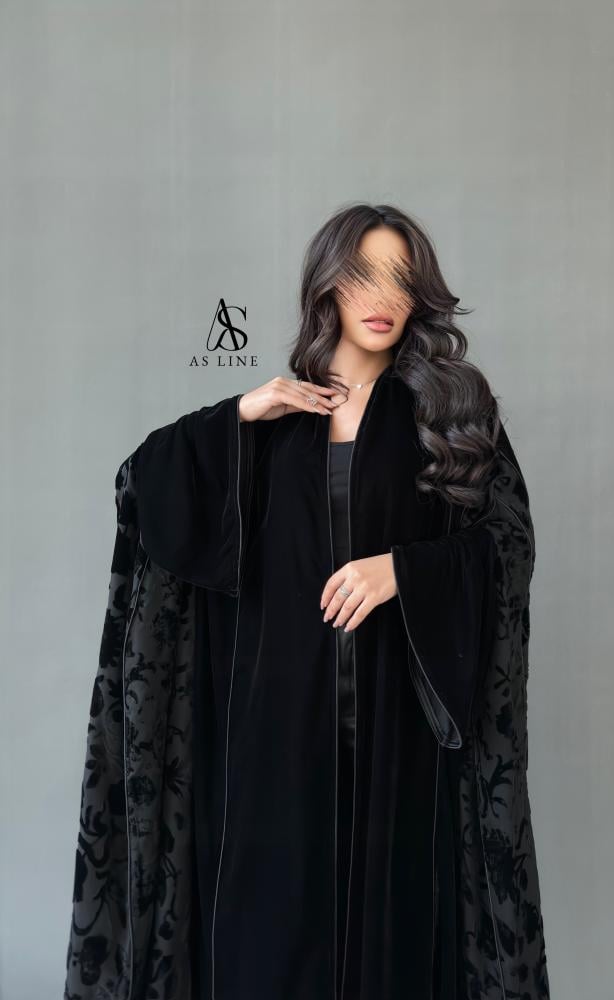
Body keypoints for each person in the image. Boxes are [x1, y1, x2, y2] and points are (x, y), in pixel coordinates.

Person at [64, 203, 550, 1000]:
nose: (381, 297)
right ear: (328, 284)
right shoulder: (275, 424)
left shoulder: (447, 418)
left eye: (400, 278)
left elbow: (508, 544)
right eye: (363, 275)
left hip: (398, 736)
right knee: (270, 939)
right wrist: (238, 413)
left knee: (393, 943)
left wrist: (404, 571)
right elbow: (144, 492)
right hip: (276, 734)